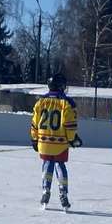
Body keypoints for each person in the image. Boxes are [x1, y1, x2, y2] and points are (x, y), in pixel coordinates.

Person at [30, 73, 81, 211]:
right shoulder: (66, 103)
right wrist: (72, 139)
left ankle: (45, 190)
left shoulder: (40, 102)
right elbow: (69, 124)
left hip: (44, 143)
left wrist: (34, 139)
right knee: (60, 165)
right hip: (60, 144)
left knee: (47, 165)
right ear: (61, 86)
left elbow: (34, 123)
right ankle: (63, 192)